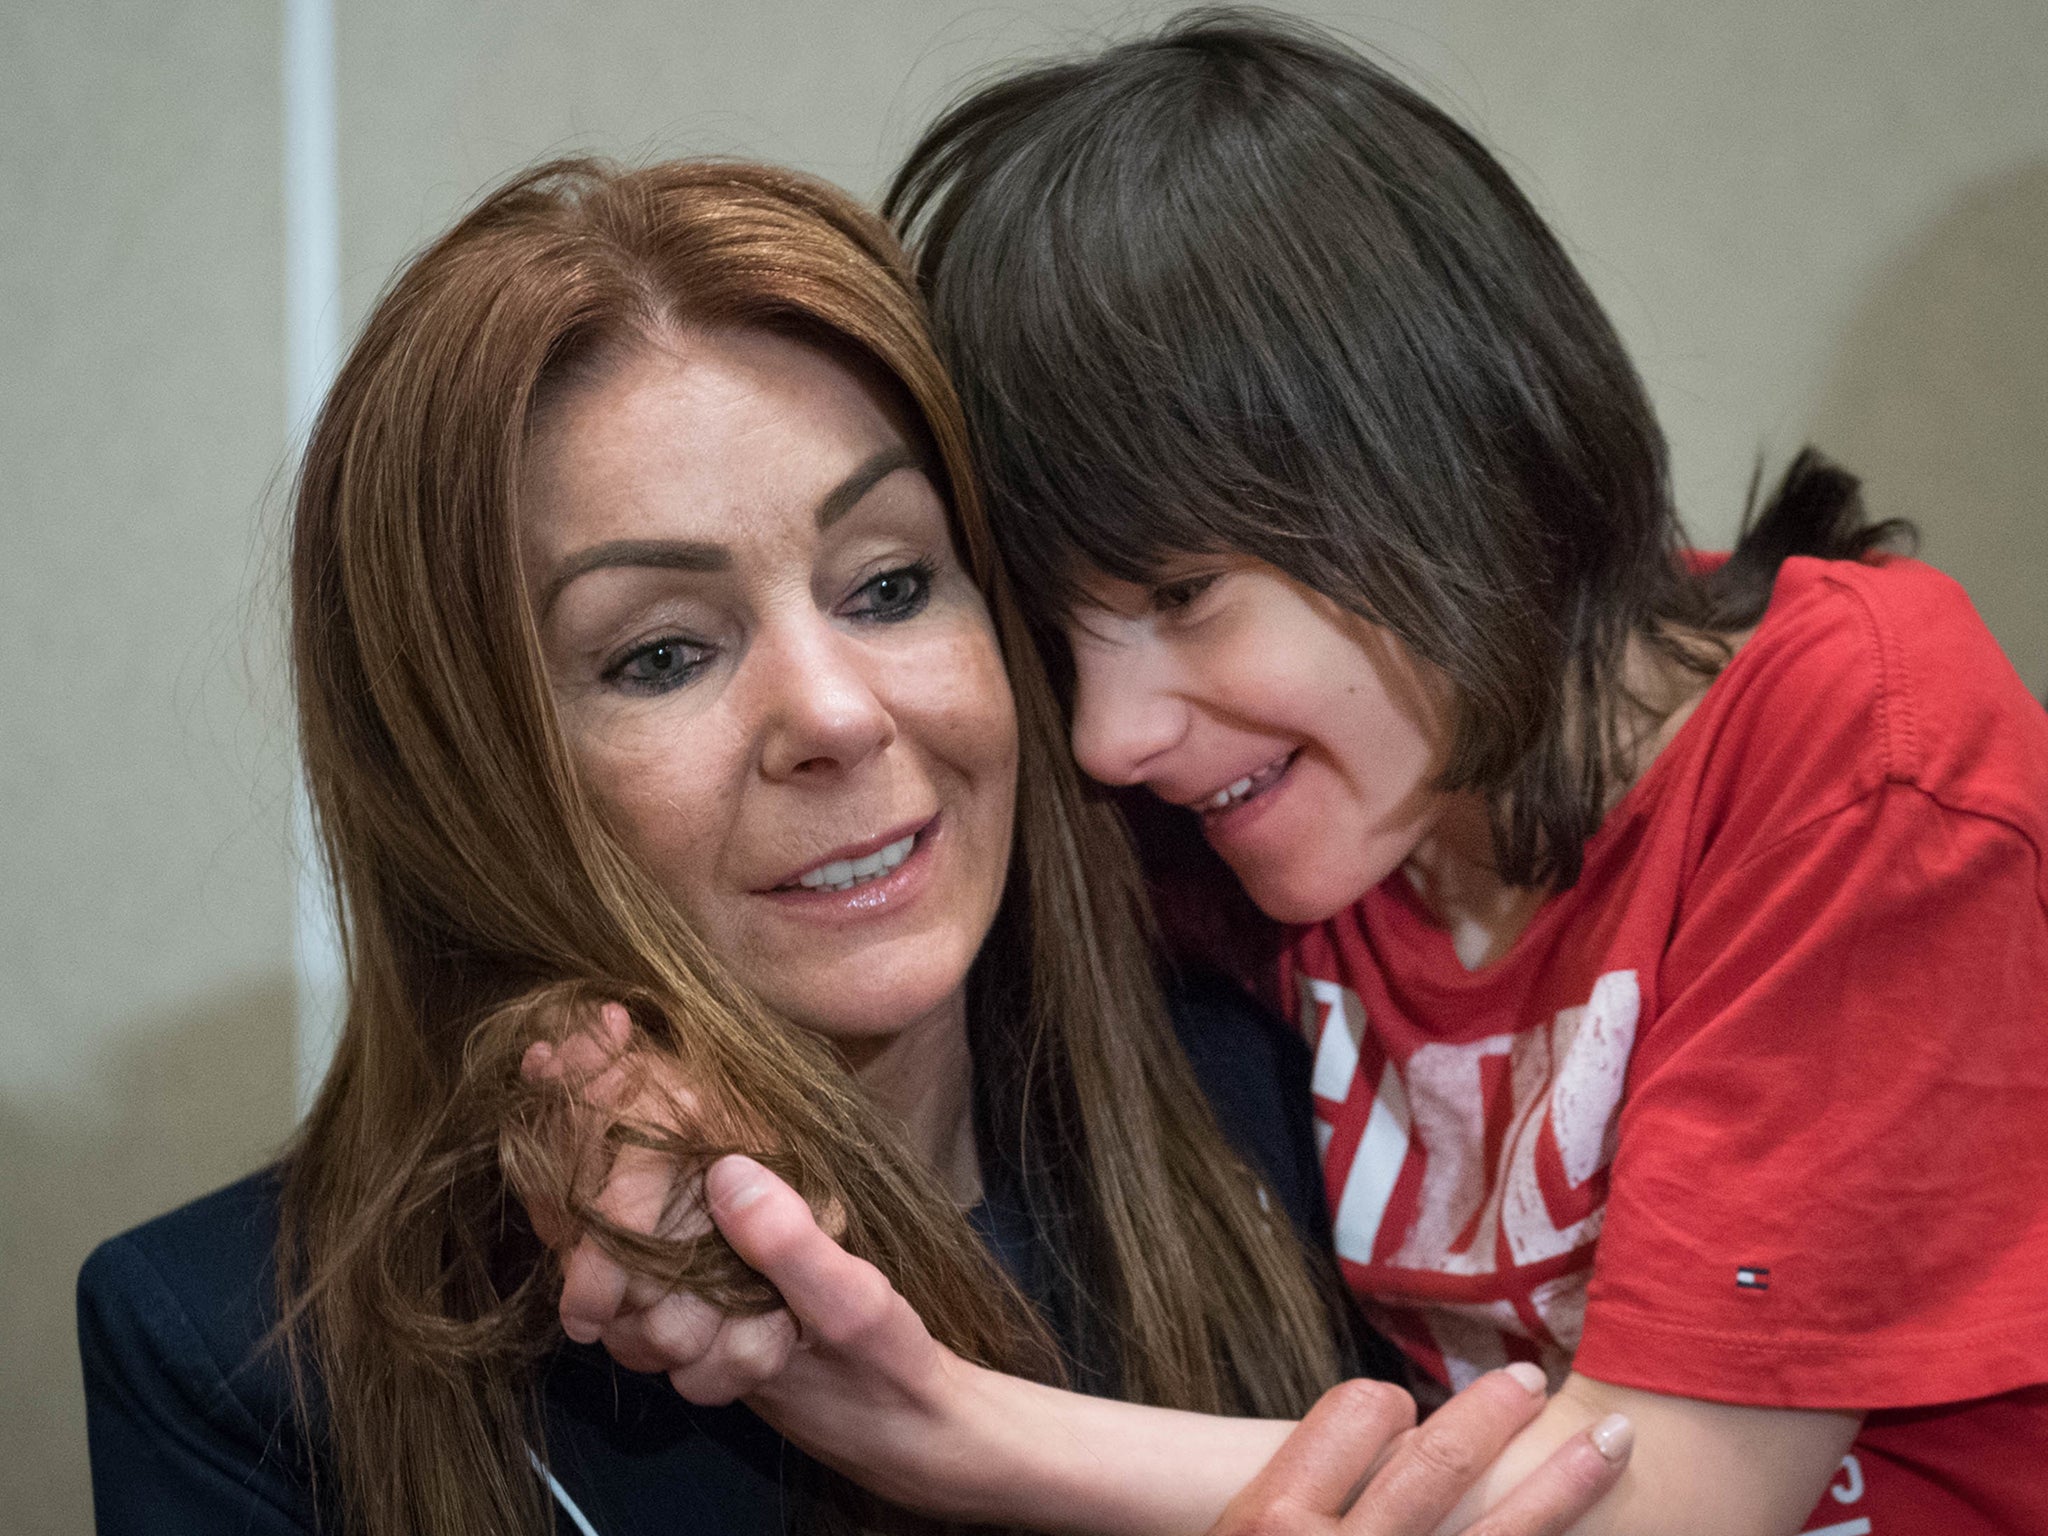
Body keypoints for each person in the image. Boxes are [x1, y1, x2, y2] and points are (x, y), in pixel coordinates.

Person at [556, 11, 2048, 1536]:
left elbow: (1650, 1504)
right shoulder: (1283, 808)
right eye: (1069, 642)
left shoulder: (1858, 753)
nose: (1108, 737)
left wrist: (940, 1423)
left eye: (1184, 594)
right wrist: (626, 1104)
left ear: (1440, 458)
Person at [74, 157, 1629, 1536]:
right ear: (466, 767)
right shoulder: (230, 1358)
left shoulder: (1309, 1087)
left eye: (890, 585)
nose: (835, 711)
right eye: (660, 655)